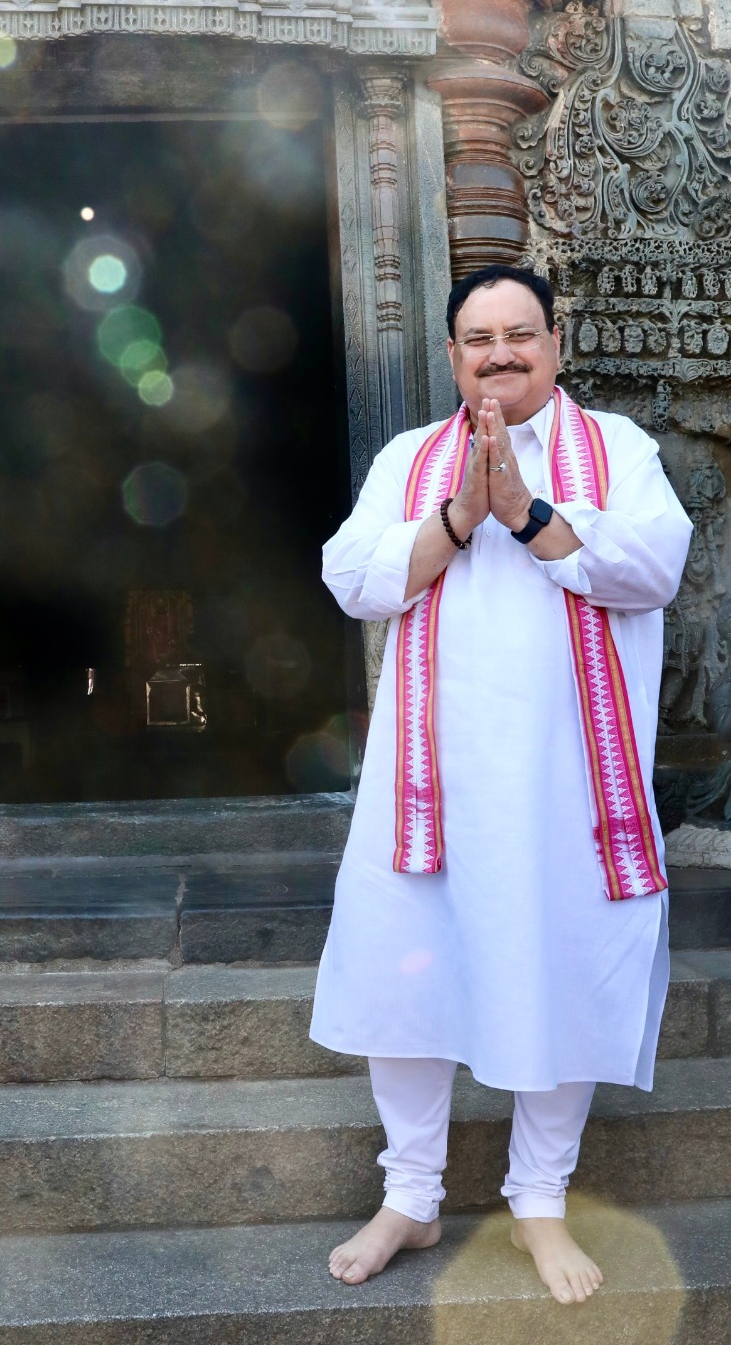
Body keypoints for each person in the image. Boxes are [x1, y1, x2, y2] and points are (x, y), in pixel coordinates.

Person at [310, 264, 692, 1304]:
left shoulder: (616, 448)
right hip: (427, 781)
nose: (499, 354)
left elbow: (652, 569)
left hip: (566, 782)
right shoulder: (406, 458)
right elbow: (352, 578)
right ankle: (412, 1193)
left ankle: (537, 1199)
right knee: (407, 974)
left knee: (557, 964)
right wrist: (458, 514)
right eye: (478, 339)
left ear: (555, 343)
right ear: (451, 355)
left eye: (519, 334)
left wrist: (525, 511)